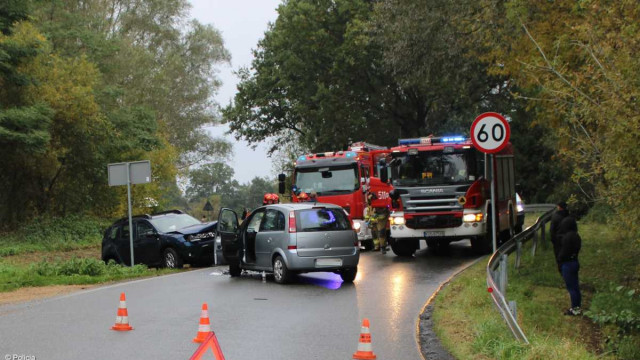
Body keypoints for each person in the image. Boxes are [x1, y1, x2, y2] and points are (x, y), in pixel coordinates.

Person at [556, 216, 582, 316]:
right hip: (575, 261)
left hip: (567, 264)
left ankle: (574, 309)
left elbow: (563, 252)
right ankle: (577, 307)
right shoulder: (576, 236)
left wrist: (559, 260)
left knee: (571, 287)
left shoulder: (567, 238)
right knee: (575, 287)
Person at [550, 201, 569, 270]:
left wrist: (553, 240)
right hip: (568, 239)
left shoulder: (555, 217)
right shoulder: (569, 216)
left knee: (559, 256)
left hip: (558, 240)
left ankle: (562, 270)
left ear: (559, 207)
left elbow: (552, 230)